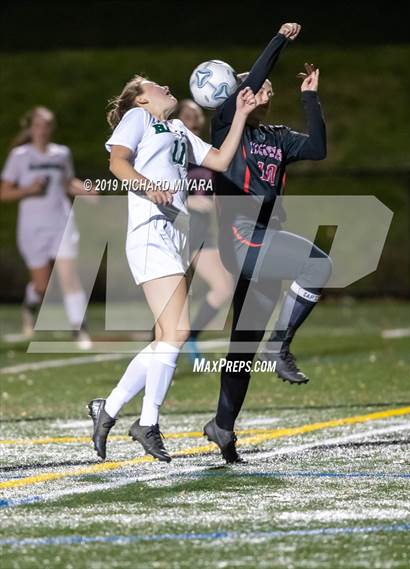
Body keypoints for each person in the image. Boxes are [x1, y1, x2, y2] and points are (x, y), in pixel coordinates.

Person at [88, 75, 256, 462]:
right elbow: (117, 163)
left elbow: (219, 160)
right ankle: (147, 423)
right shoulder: (138, 119)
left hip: (176, 235)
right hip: (150, 232)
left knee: (166, 336)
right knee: (177, 331)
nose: (164, 85)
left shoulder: (177, 127)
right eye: (154, 85)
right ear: (141, 100)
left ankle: (108, 410)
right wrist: (148, 187)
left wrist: (242, 115)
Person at [203, 23, 332, 463]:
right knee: (317, 265)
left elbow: (316, 148)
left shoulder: (275, 136)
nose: (261, 89)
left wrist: (310, 97)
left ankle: (222, 426)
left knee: (242, 345)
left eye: (264, 88)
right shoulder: (226, 127)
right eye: (253, 87)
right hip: (241, 237)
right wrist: (279, 40)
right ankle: (282, 345)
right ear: (240, 97)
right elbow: (253, 79)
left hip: (267, 239)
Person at [0, 106, 93, 349]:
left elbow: (66, 183)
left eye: (47, 125)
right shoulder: (20, 156)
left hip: (61, 222)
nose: (42, 130)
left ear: (51, 128)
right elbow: (4, 192)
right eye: (38, 125)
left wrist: (86, 190)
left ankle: (79, 329)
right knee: (43, 286)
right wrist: (28, 190)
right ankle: (30, 304)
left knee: (67, 277)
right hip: (32, 228)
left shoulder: (61, 154)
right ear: (31, 127)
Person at [176, 99, 233, 360]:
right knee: (173, 296)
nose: (195, 119)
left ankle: (191, 337)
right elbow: (156, 188)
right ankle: (161, 347)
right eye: (188, 115)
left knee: (223, 288)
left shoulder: (206, 151)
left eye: (198, 115)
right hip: (177, 229)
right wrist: (188, 200)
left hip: (202, 231)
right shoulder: (171, 149)